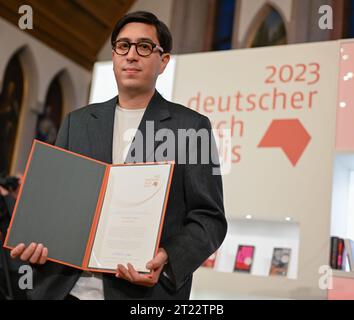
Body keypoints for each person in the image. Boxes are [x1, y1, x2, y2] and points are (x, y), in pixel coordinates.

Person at [10, 11, 227, 300]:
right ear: (113, 56)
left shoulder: (191, 126)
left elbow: (209, 217)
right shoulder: (78, 121)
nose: (132, 55)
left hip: (140, 294)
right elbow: (56, 205)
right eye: (123, 46)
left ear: (163, 61)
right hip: (65, 290)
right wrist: (35, 241)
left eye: (144, 47)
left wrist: (167, 259)